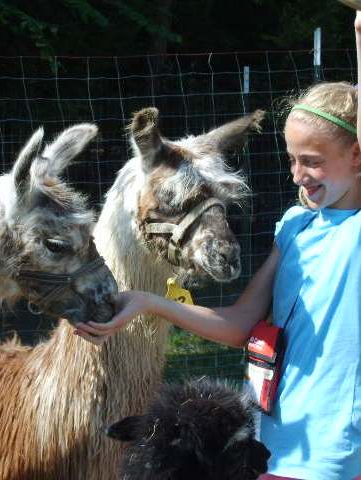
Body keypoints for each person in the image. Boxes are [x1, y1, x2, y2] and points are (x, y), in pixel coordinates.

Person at [75, 13, 361, 480]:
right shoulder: (295, 227)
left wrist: (359, 37)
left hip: (338, 450)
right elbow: (237, 325)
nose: (297, 175)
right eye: (291, 160)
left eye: (312, 161)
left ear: (357, 156)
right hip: (273, 441)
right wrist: (147, 302)